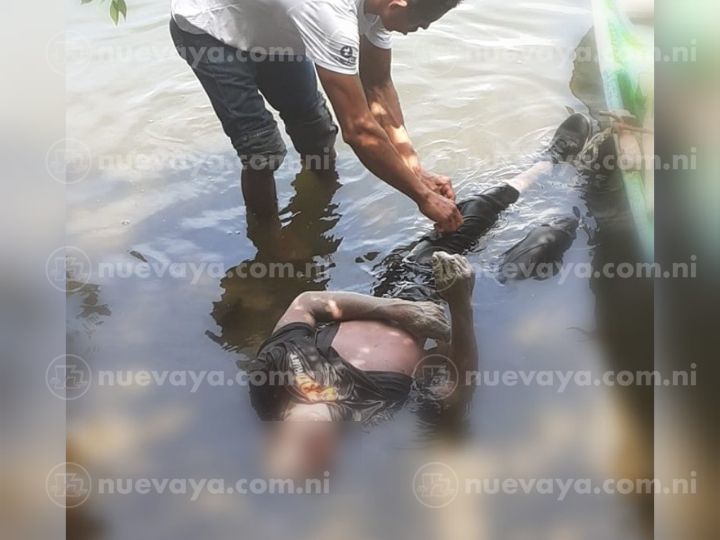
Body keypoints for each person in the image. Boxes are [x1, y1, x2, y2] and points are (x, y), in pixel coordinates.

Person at [245, 113, 592, 477]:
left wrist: (397, 310)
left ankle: (548, 161)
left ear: (274, 435)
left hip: (396, 288)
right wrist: (460, 305)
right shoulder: (375, 425)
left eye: (302, 445)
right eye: (322, 460)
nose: (319, 445)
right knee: (549, 241)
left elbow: (306, 302)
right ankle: (585, 196)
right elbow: (456, 396)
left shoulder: (272, 378)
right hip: (468, 310)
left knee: (472, 211)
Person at [170, 0, 463, 230]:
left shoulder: (380, 9)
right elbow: (358, 130)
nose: (417, 30)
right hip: (209, 29)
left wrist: (416, 170)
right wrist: (423, 198)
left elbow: (378, 86)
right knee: (262, 151)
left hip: (272, 28)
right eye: (419, 24)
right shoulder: (331, 17)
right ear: (397, 5)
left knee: (317, 132)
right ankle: (268, 239)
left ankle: (325, 203)